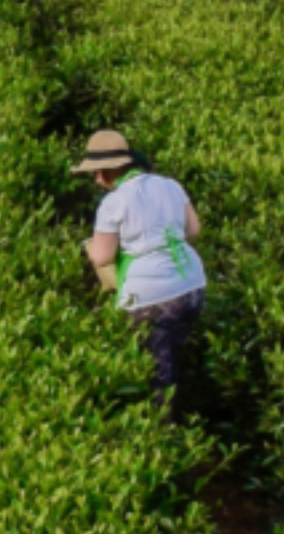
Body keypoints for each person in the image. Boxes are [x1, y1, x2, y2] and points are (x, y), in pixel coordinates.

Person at [73, 129, 206, 403]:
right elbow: (193, 230)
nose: (97, 179)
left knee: (155, 376)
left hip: (151, 299)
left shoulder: (113, 203)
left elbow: (101, 257)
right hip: (192, 286)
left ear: (112, 170)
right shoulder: (170, 185)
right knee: (172, 357)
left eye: (99, 172)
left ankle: (162, 433)